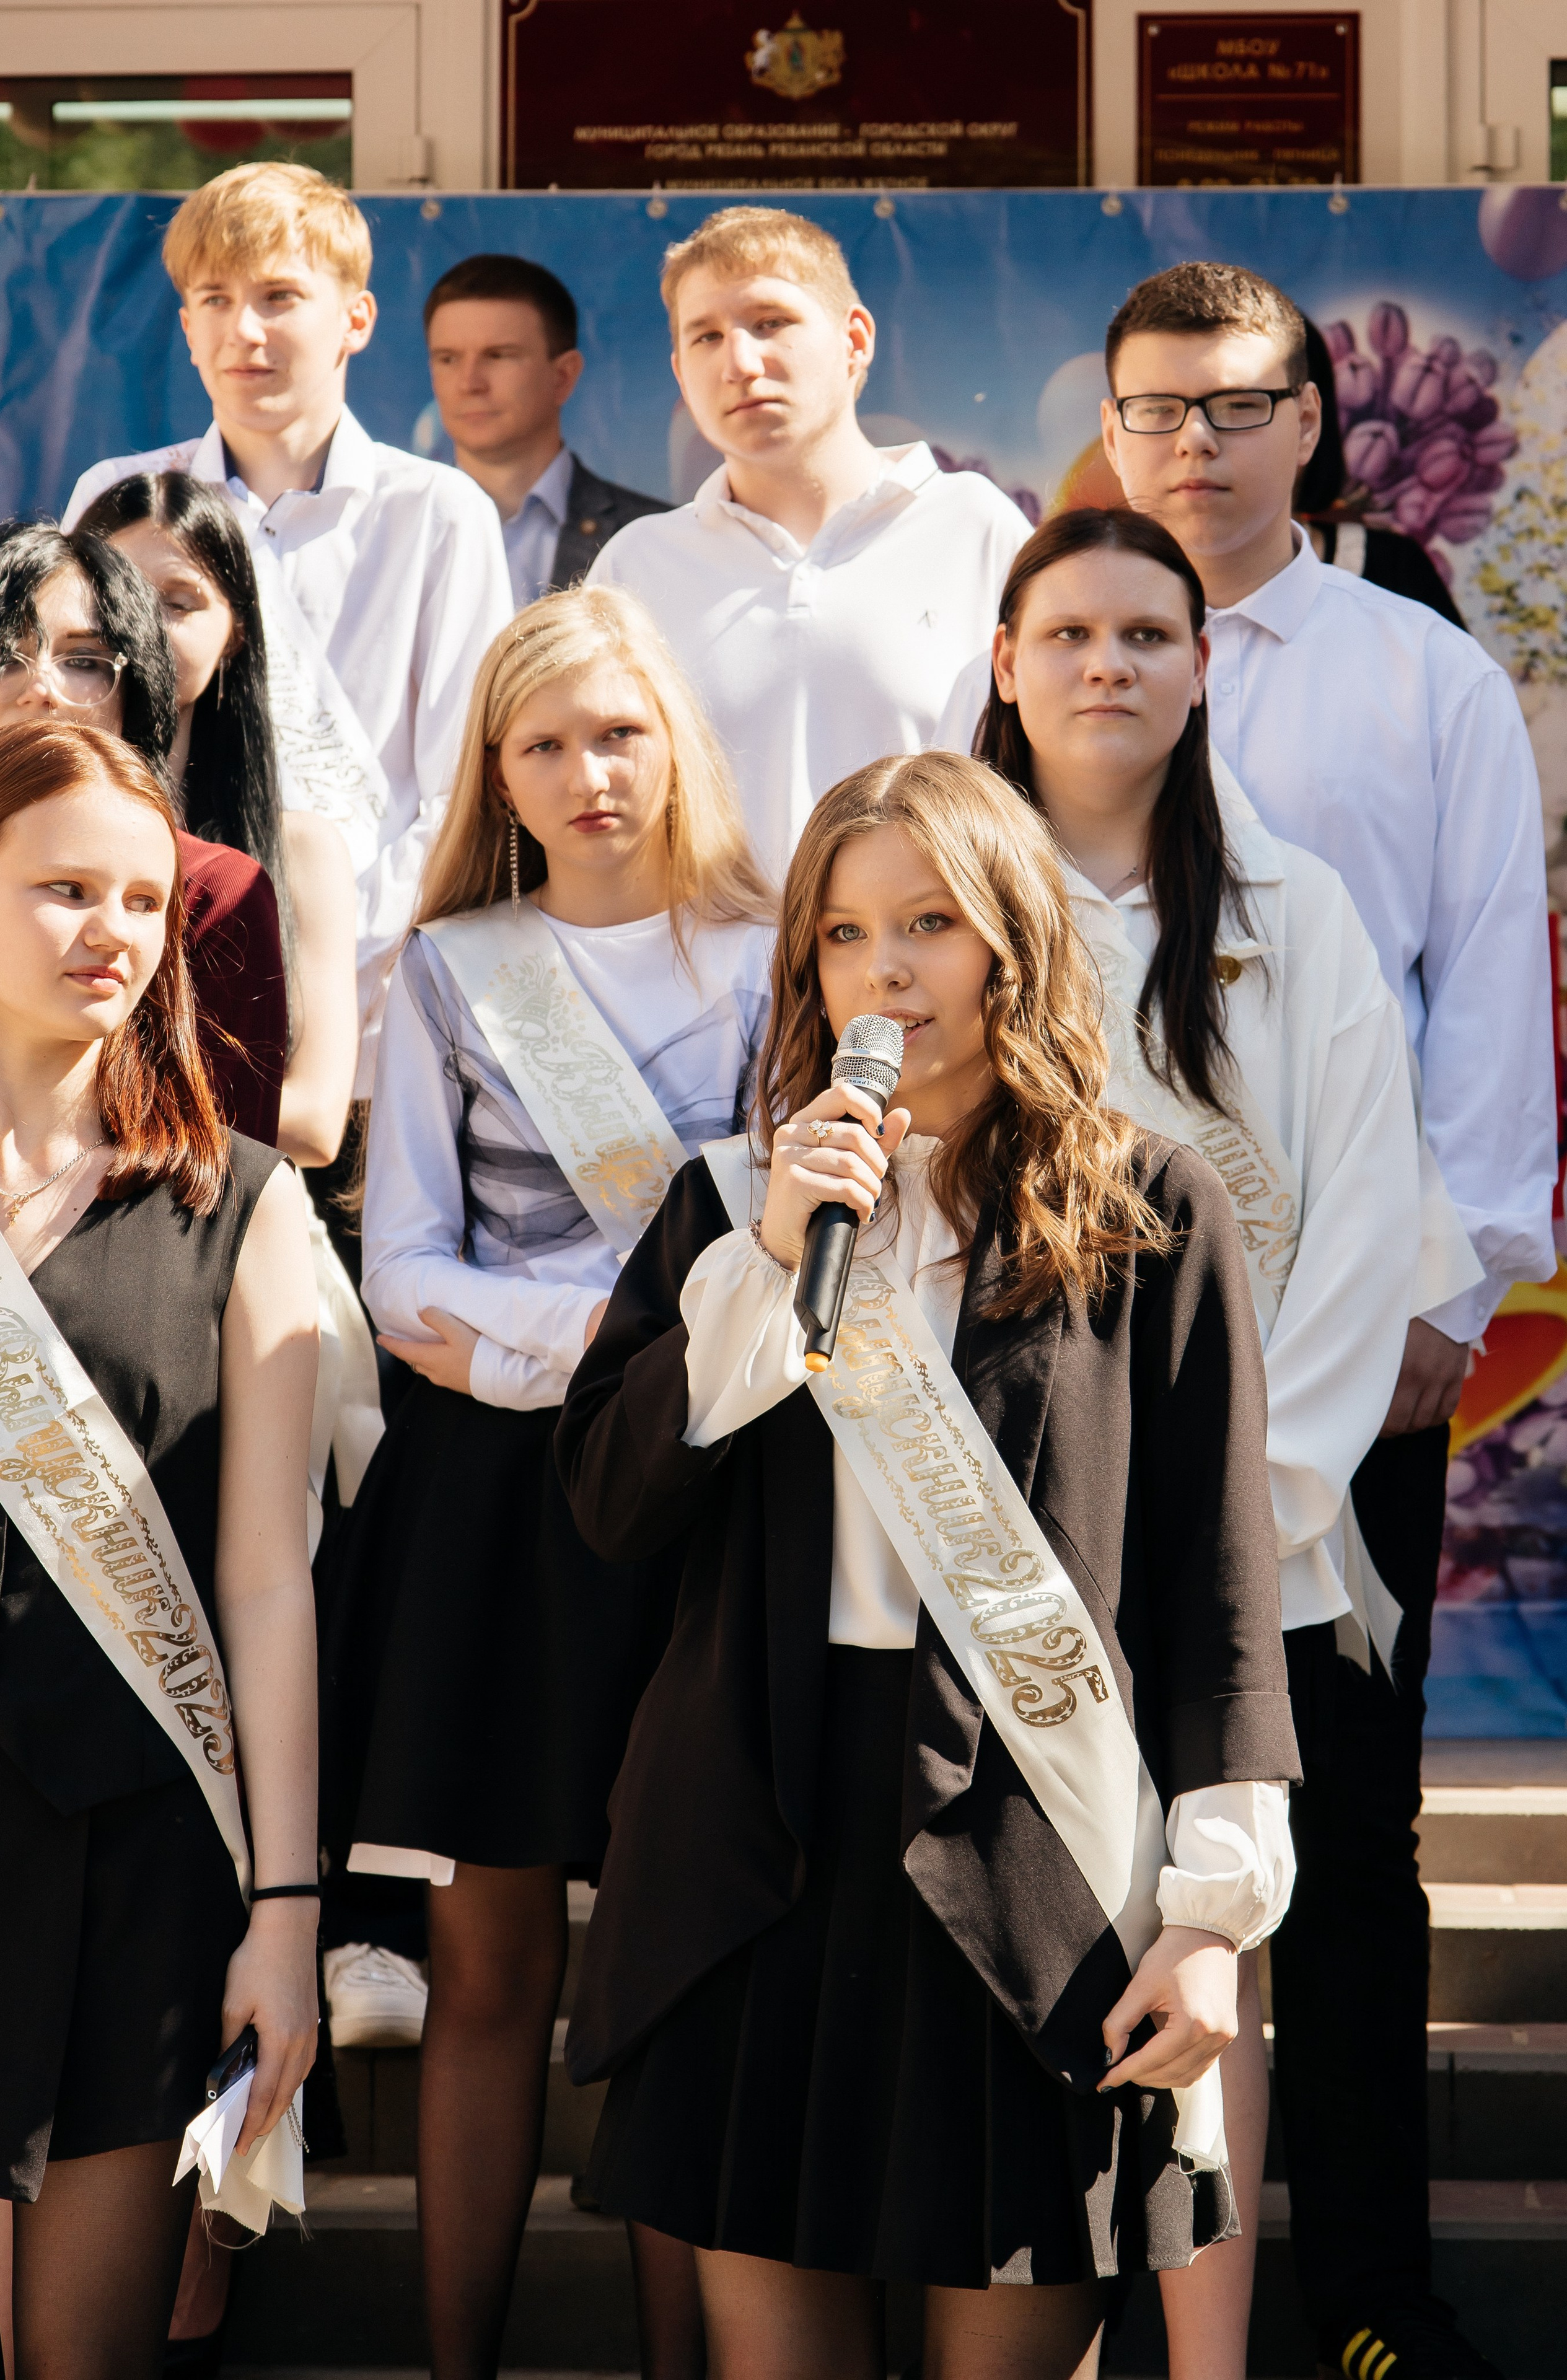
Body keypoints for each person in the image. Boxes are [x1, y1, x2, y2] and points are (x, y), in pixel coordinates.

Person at [553, 750, 1301, 2380]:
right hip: (765, 1850)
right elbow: (611, 1507)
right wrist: (763, 1272)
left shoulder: (1149, 1210)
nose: (884, 973)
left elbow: (1221, 1590)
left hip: (1026, 1861)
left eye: (930, 925)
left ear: (1012, 943)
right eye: (840, 936)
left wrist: (1216, 1917)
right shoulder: (734, 1208)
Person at [963, 504, 1486, 2379]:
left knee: (1222, 1929)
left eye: (1146, 633)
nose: (1107, 662)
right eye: (1068, 631)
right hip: (990, 1541)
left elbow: (1355, 1232)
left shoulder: (1297, 916)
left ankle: (1205, 2358)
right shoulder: (933, 896)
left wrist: (1229, 1516)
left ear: (1201, 669)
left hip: (1244, 1538)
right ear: (1005, 662)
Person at [1094, 259, 1554, 2380]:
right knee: (1097, 1814)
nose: (1196, 440)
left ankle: (1367, 2296)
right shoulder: (1041, 669)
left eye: (1237, 404)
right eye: (1158, 407)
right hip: (1085, 1349)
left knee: (1338, 1825)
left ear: (1314, 426)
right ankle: (1087, 2279)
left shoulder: (1414, 675)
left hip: (1358, 1336)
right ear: (1107, 429)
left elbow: (1490, 980)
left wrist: (1456, 1287)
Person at [318, 584, 773, 2380]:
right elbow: (400, 1270)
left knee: (672, 1958)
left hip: (712, 1501)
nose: (589, 774)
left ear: (678, 742)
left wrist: (588, 1353)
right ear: (496, 771)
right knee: (487, 1957)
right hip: (497, 1518)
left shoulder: (768, 952)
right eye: (544, 744)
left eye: (620, 734)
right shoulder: (449, 964)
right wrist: (604, 1348)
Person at [0, 716, 319, 2380]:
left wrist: (289, 1908)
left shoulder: (238, 1207)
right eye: (61, 889)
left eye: (138, 897)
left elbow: (267, 1584)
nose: (113, 930)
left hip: (136, 1858)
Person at [62, 161, 513, 1089]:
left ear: (355, 318)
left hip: (377, 1029)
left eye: (279, 296)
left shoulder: (437, 512)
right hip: (140, 994)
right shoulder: (120, 497)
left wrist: (325, 953)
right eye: (215, 299)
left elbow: (462, 793)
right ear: (185, 327)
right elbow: (79, 742)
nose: (245, 330)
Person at [587, 205, 1031, 877]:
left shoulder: (977, 528)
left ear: (855, 340)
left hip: (926, 971)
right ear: (680, 374)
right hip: (701, 977)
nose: (739, 361)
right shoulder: (635, 566)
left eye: (770, 323)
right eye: (705, 337)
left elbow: (1044, 781)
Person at [77, 470, 359, 1172]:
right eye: (120, 596)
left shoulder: (303, 852)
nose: (144, 624)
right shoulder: (11, 830)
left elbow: (318, 1120)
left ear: (235, 631)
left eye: (179, 602)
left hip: (227, 1221)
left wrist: (76, 1111)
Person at [0, 519, 288, 1143]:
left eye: (85, 661)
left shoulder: (214, 896)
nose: (41, 689)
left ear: (139, 694)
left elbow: (215, 1198)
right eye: (0, 655)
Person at [424, 253, 669, 605]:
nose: (469, 383)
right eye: (448, 359)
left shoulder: (653, 536)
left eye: (498, 355)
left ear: (563, 376)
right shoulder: (388, 532)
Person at [1294, 317, 1467, 628]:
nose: (1200, 440)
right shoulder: (1177, 580)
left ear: (1309, 424)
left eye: (1243, 406)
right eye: (1174, 408)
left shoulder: (1394, 569)